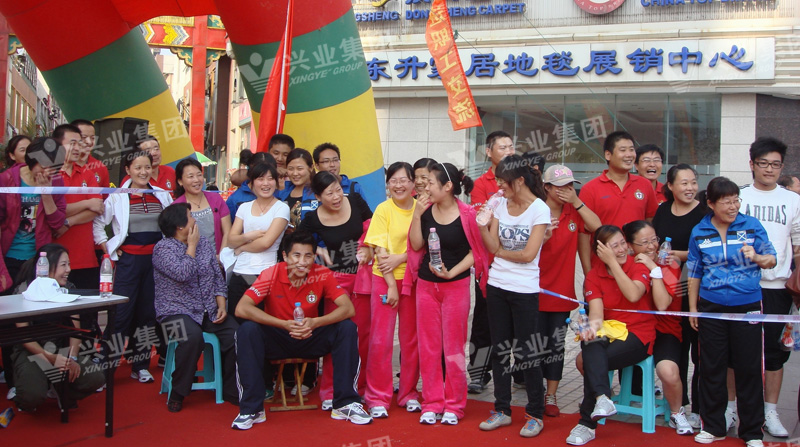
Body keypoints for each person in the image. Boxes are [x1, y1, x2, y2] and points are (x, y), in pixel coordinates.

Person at [232, 231, 372, 429]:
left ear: (314, 257)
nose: (302, 262)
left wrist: (315, 322)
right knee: (247, 331)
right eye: (296, 255)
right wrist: (282, 324)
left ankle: (345, 403)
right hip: (279, 337)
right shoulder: (271, 274)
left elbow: (348, 309)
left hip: (310, 335)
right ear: (285, 256)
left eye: (308, 256)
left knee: (347, 328)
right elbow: (242, 308)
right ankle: (251, 409)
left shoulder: (322, 273)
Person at [687, 177, 776, 447]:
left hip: (747, 306)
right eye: (726, 201)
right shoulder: (699, 231)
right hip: (711, 307)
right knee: (711, 367)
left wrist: (757, 257)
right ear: (711, 204)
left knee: (749, 368)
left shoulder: (751, 226)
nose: (733, 206)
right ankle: (713, 427)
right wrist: (693, 309)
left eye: (736, 200)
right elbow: (694, 272)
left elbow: (771, 259)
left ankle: (752, 432)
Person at [408, 162, 487, 425]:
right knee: (429, 346)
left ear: (448, 186)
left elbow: (476, 252)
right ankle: (432, 402)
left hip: (456, 286)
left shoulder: (467, 214)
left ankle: (454, 404)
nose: (425, 187)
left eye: (430, 182)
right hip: (426, 285)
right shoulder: (425, 211)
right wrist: (416, 215)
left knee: (453, 347)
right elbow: (416, 245)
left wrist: (452, 273)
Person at [477, 154, 550, 437]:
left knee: (527, 352)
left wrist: (500, 252)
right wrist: (482, 225)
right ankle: (502, 410)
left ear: (519, 180)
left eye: (504, 182)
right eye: (497, 181)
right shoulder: (499, 204)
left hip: (524, 290)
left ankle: (535, 413)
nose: (499, 187)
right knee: (499, 350)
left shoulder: (539, 209)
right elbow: (491, 245)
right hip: (497, 286)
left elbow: (529, 254)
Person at [566, 225, 655, 446]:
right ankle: (603, 398)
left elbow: (633, 295)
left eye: (623, 243)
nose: (622, 249)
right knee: (590, 342)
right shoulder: (594, 276)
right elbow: (597, 316)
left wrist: (613, 263)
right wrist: (589, 329)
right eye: (615, 246)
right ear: (601, 251)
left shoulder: (638, 265)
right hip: (611, 331)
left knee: (592, 360)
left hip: (639, 334)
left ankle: (587, 423)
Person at [737, 137, 800, 438]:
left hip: (777, 287)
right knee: (736, 351)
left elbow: (798, 244)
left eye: (776, 164)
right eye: (763, 163)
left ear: (782, 167)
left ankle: (770, 410)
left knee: (775, 353)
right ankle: (731, 407)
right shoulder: (738, 196)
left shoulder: (792, 200)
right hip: (739, 285)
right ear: (752, 164)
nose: (770, 169)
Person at [93, 151, 173, 383]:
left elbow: (171, 224)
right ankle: (105, 369)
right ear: (127, 170)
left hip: (155, 263)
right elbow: (99, 223)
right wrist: (108, 248)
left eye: (147, 167)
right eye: (137, 167)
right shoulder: (118, 197)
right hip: (129, 262)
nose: (143, 172)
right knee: (120, 315)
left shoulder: (161, 195)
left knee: (147, 314)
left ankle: (140, 365)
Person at [298, 170, 373, 410]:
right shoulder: (313, 218)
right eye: (329, 193)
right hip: (334, 281)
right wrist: (316, 249)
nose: (336, 196)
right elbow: (298, 241)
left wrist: (368, 246)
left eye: (338, 190)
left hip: (361, 277)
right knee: (337, 333)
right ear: (318, 197)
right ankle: (330, 390)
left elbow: (374, 227)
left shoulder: (356, 201)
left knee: (362, 335)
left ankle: (360, 388)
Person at [153, 203, 239, 412]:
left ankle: (231, 389)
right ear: (180, 226)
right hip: (174, 312)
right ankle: (178, 392)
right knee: (192, 337)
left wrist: (221, 305)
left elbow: (217, 277)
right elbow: (183, 273)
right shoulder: (162, 249)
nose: (195, 220)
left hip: (208, 309)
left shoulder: (205, 244)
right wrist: (191, 246)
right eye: (191, 217)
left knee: (236, 333)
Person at [10, 244, 105, 412]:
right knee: (32, 396)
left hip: (61, 347)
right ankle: (29, 390)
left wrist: (72, 359)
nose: (69, 269)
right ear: (47, 267)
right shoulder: (25, 290)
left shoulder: (68, 289)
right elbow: (24, 336)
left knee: (95, 377)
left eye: (69, 264)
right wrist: (51, 358)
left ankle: (62, 390)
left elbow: (75, 331)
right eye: (63, 265)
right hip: (32, 351)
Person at [538, 164, 600, 416]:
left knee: (556, 346)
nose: (566, 190)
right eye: (559, 186)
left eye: (570, 185)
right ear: (546, 187)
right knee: (532, 346)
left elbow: (596, 227)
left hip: (562, 293)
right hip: (532, 291)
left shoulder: (574, 212)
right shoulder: (536, 210)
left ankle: (551, 395)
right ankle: (534, 391)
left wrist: (577, 202)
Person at [622, 220, 692, 435]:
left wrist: (654, 269)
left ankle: (677, 412)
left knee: (668, 372)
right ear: (630, 246)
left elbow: (662, 304)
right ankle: (600, 401)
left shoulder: (671, 265)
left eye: (654, 240)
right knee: (592, 358)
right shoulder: (626, 265)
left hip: (665, 330)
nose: (652, 246)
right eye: (644, 242)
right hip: (635, 329)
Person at [363, 162, 420, 419]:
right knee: (381, 340)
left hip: (413, 280)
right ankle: (377, 396)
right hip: (384, 280)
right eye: (393, 181)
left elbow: (422, 246)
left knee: (411, 340)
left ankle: (408, 393)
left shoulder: (421, 209)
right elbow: (380, 249)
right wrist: (390, 286)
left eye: (404, 180)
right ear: (387, 185)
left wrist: (402, 258)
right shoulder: (383, 209)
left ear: (413, 183)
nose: (398, 185)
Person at [652, 164, 706, 427]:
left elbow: (706, 250)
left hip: (696, 286)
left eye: (693, 182)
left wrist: (679, 255)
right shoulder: (663, 210)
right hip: (670, 288)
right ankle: (679, 405)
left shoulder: (704, 213)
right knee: (678, 346)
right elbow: (655, 243)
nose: (690, 188)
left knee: (700, 351)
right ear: (670, 186)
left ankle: (701, 408)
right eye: (684, 183)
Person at [468, 130, 515, 394]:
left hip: (517, 263)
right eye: (502, 147)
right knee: (484, 321)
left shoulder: (521, 180)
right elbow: (480, 222)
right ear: (489, 152)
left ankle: (519, 370)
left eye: (511, 147)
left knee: (516, 320)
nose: (508, 151)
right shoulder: (481, 184)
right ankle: (478, 373)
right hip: (488, 264)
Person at [227, 162, 290, 323]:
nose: (265, 183)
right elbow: (231, 240)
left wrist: (241, 247)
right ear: (252, 183)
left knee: (260, 324)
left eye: (270, 179)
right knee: (236, 321)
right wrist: (250, 236)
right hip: (240, 271)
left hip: (265, 273)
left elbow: (266, 243)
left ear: (276, 182)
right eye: (260, 179)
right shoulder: (244, 207)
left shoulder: (281, 208)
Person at [0, 137, 67, 287]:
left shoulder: (56, 181)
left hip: (39, 257)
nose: (47, 172)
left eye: (53, 168)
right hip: (9, 254)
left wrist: (46, 193)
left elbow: (57, 223)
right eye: (43, 166)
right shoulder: (6, 179)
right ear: (32, 160)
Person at [52, 124, 103, 289]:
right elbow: (54, 211)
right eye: (72, 143)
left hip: (86, 258)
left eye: (78, 143)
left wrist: (68, 222)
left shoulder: (86, 173)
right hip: (55, 260)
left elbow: (97, 208)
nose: (77, 148)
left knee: (88, 303)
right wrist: (86, 203)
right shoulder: (49, 173)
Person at [579, 131, 658, 230]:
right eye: (623, 150)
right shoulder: (590, 189)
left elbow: (651, 220)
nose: (629, 155)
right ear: (608, 155)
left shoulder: (645, 184)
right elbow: (583, 231)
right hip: (604, 241)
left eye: (631, 150)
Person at [172, 158, 231, 254]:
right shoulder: (176, 207)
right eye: (190, 176)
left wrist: (221, 257)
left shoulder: (216, 199)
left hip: (219, 258)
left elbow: (227, 231)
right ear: (180, 181)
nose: (196, 180)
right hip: (190, 259)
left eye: (199, 175)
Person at [275, 148, 318, 231]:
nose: (295, 173)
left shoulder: (319, 191)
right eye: (290, 169)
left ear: (311, 167)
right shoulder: (282, 192)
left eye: (300, 169)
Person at [225, 152, 277, 217]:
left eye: (270, 177)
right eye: (261, 177)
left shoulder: (280, 194)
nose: (265, 183)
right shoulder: (235, 199)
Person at [71, 119, 110, 188]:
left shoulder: (100, 167)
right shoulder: (63, 167)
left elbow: (104, 193)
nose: (89, 142)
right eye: (84, 137)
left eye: (92, 138)